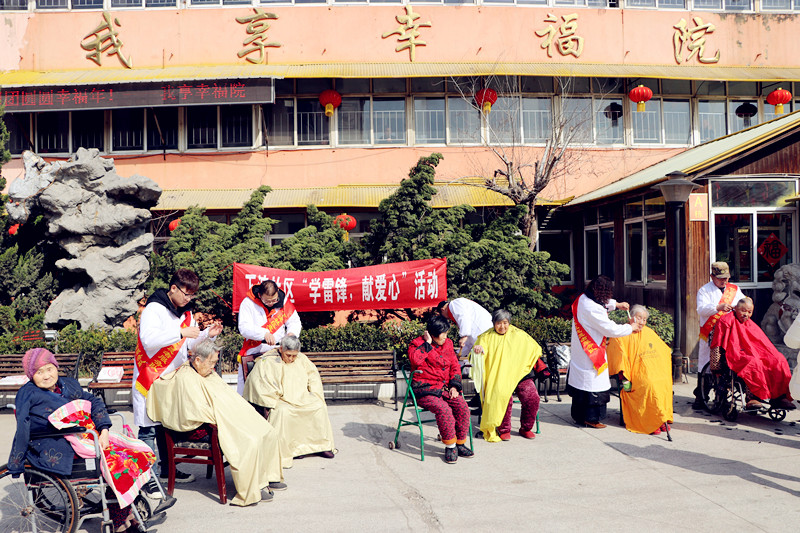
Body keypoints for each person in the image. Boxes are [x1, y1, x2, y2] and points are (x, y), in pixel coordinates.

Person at [9, 349, 157, 532]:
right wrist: (16, 462)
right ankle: (120, 521)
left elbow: (94, 401)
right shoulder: (28, 393)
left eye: (49, 369)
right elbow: (23, 426)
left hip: (85, 437)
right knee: (118, 463)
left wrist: (103, 429)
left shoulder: (68, 384)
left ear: (56, 367)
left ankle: (122, 514)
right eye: (39, 372)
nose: (46, 376)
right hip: (55, 444)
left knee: (133, 454)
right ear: (31, 375)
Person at [147, 340, 286, 507]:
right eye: (211, 362)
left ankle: (269, 476)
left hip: (221, 419)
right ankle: (253, 486)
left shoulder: (207, 373)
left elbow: (227, 397)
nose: (213, 367)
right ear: (198, 360)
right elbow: (195, 413)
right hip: (202, 429)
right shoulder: (185, 378)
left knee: (266, 430)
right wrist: (227, 419)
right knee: (249, 440)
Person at [134, 268, 222, 494]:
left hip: (173, 378)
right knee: (149, 428)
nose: (188, 298)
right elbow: (148, 340)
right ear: (173, 288)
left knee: (167, 426)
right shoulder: (154, 308)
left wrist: (207, 335)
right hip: (151, 375)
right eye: (186, 293)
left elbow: (187, 345)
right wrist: (181, 332)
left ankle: (167, 469)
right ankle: (148, 478)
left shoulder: (185, 312)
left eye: (192, 295)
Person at [243, 335, 335, 468]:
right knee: (283, 411)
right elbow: (261, 383)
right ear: (281, 349)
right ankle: (294, 450)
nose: (291, 359)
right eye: (288, 355)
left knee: (319, 406)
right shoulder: (268, 361)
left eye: (294, 356)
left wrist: (315, 394)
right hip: (280, 398)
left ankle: (320, 446)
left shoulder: (302, 359)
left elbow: (313, 376)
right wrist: (274, 399)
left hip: (302, 396)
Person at [568, 275, 642, 429]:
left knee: (582, 383)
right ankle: (591, 418)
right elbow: (610, 329)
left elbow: (600, 302)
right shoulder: (592, 309)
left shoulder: (582, 299)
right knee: (593, 382)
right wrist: (630, 328)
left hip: (581, 349)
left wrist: (616, 304)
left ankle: (579, 416)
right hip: (591, 352)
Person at [472, 309, 547, 442]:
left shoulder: (519, 334)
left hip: (521, 375)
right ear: (493, 324)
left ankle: (526, 428)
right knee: (503, 397)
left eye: (505, 323)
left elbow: (534, 349)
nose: (502, 326)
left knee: (532, 397)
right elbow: (478, 351)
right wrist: (479, 350)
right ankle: (504, 429)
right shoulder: (486, 337)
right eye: (498, 323)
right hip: (499, 377)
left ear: (509, 323)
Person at [709, 298, 796, 411]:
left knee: (779, 360)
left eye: (749, 312)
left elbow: (761, 343)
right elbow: (717, 342)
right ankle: (753, 397)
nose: (746, 314)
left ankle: (780, 397)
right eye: (743, 311)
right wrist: (715, 364)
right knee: (753, 363)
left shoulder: (750, 324)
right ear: (736, 308)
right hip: (736, 354)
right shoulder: (725, 321)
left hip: (754, 352)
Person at [407, 315, 473, 463]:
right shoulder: (417, 343)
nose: (445, 336)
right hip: (425, 390)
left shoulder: (448, 343)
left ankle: (460, 444)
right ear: (433, 333)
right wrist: (428, 343)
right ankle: (450, 446)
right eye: (443, 333)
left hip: (444, 388)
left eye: (446, 333)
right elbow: (415, 360)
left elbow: (454, 366)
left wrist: (454, 386)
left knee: (462, 407)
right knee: (444, 410)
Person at [607, 305, 674, 435]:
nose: (642, 322)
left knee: (663, 382)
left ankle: (660, 417)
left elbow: (663, 349)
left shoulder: (649, 332)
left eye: (644, 319)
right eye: (639, 318)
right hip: (633, 373)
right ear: (630, 317)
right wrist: (625, 377)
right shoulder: (621, 333)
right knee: (649, 384)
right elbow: (617, 356)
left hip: (652, 370)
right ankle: (650, 421)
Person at [693, 261, 746, 409]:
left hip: (730, 332)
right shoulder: (704, 290)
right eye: (720, 278)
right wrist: (718, 307)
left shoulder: (734, 289)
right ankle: (701, 396)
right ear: (712, 276)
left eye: (726, 278)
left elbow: (743, 302)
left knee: (727, 363)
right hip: (711, 332)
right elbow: (701, 309)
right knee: (707, 364)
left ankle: (724, 394)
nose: (724, 281)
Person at [237, 279, 302, 395]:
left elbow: (294, 321)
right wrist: (264, 334)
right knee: (251, 387)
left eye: (274, 300)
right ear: (259, 295)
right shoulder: (248, 303)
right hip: (256, 348)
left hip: (278, 349)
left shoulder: (283, 300)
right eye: (267, 301)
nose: (271, 303)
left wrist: (291, 334)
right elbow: (244, 327)